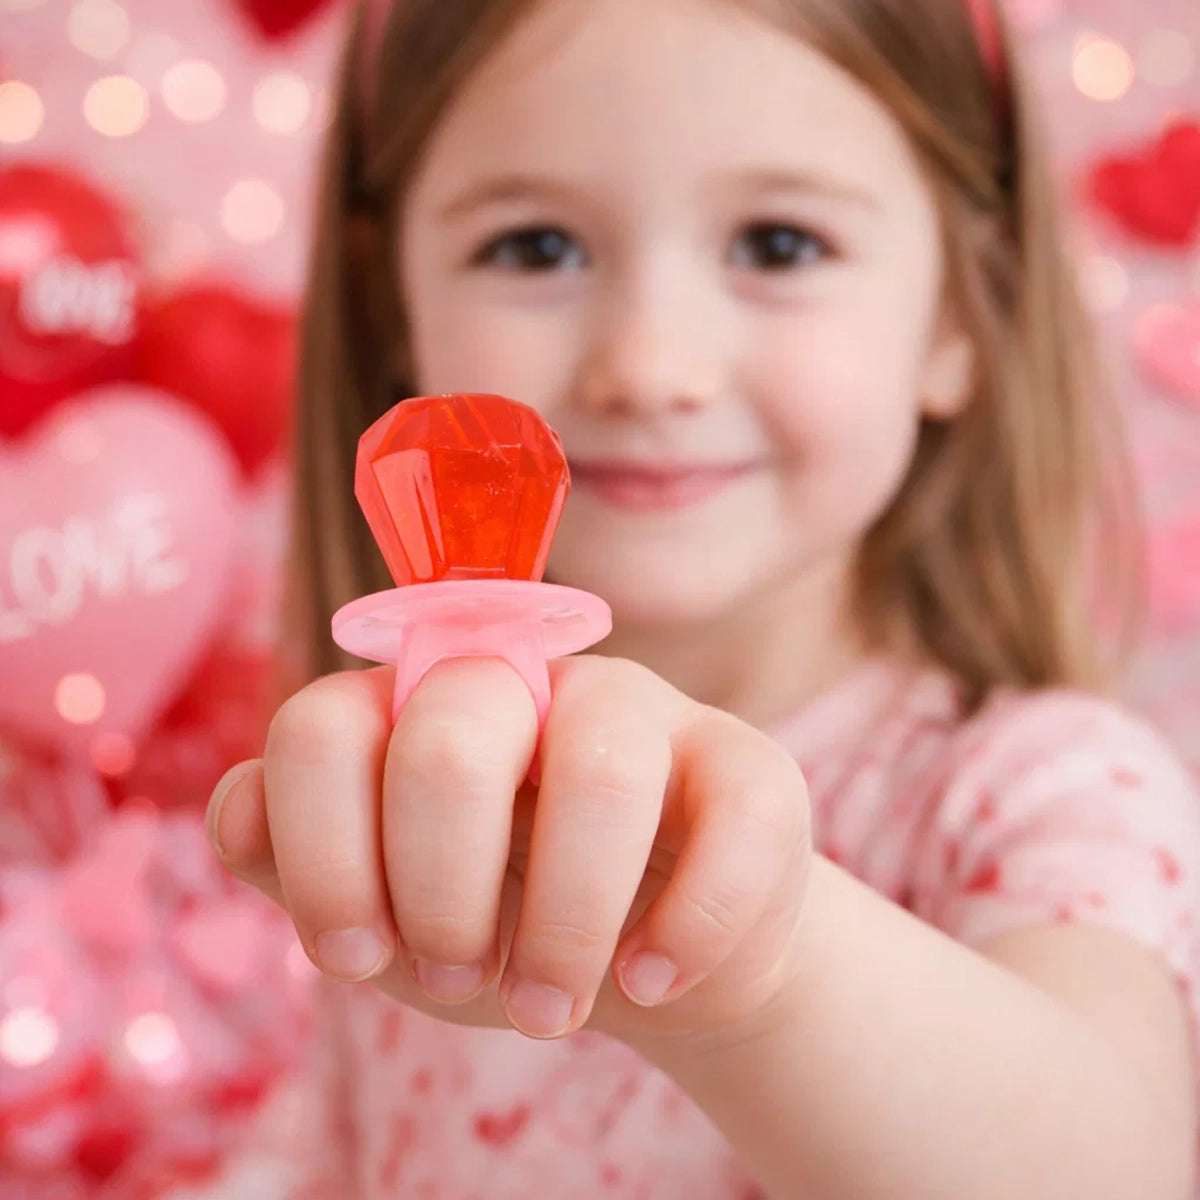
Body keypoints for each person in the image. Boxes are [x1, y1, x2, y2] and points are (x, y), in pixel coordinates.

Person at [204, 0, 1200, 1195]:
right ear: (392, 309)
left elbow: (1118, 1173)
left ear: (958, 308)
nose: (650, 364)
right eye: (536, 248)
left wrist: (757, 978)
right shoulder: (423, 792)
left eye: (779, 244)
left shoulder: (1043, 793)